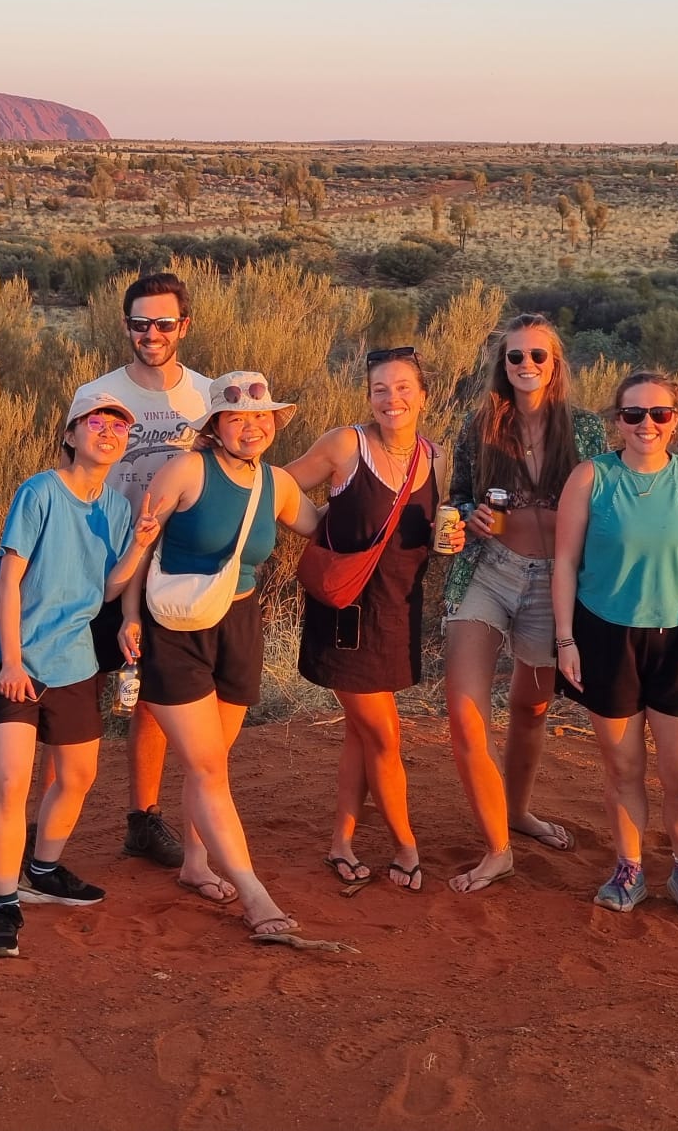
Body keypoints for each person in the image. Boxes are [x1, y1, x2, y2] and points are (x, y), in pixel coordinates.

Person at [0, 388, 162, 959]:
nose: (108, 433)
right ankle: (4, 905)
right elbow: (9, 580)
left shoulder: (119, 509)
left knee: (77, 775)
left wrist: (140, 548)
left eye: (119, 427)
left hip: (74, 660)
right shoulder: (40, 492)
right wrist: (13, 660)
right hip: (13, 658)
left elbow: (108, 589)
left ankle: (42, 869)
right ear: (72, 434)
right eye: (96, 422)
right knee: (11, 783)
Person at [122, 370, 324, 938]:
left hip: (239, 624)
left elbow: (323, 530)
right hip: (176, 629)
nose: (251, 427)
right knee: (208, 766)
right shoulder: (187, 469)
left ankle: (194, 862)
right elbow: (143, 544)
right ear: (214, 425)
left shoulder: (277, 485)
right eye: (236, 419)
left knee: (211, 763)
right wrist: (130, 616)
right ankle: (255, 894)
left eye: (261, 417)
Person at [553, 371, 678, 922]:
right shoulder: (590, 477)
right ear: (618, 420)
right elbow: (564, 562)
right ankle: (628, 868)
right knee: (622, 769)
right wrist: (566, 639)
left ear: (676, 420)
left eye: (659, 414)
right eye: (634, 414)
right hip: (606, 635)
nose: (646, 424)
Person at [439, 313, 605, 894]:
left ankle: (517, 811)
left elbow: (602, 504)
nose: (527, 366)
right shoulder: (480, 425)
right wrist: (468, 515)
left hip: (552, 581)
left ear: (555, 365)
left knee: (531, 709)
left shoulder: (583, 429)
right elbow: (456, 496)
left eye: (539, 356)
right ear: (502, 365)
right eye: (516, 357)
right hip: (488, 570)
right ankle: (497, 847)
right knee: (464, 710)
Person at [285, 347, 459, 892]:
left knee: (362, 737)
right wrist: (316, 526)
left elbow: (425, 533)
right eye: (380, 388)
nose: (392, 399)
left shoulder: (434, 456)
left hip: (398, 611)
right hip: (347, 617)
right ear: (368, 396)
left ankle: (341, 841)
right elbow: (276, 485)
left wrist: (445, 541)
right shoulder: (345, 445)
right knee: (384, 736)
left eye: (404, 387)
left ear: (424, 394)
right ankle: (406, 847)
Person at [70, 272, 208, 871]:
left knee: (150, 695)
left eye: (163, 323)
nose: (151, 334)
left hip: (168, 569)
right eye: (139, 323)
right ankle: (47, 827)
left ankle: (142, 820)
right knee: (75, 689)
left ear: (184, 325)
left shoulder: (207, 398)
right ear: (125, 324)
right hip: (94, 561)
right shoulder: (95, 392)